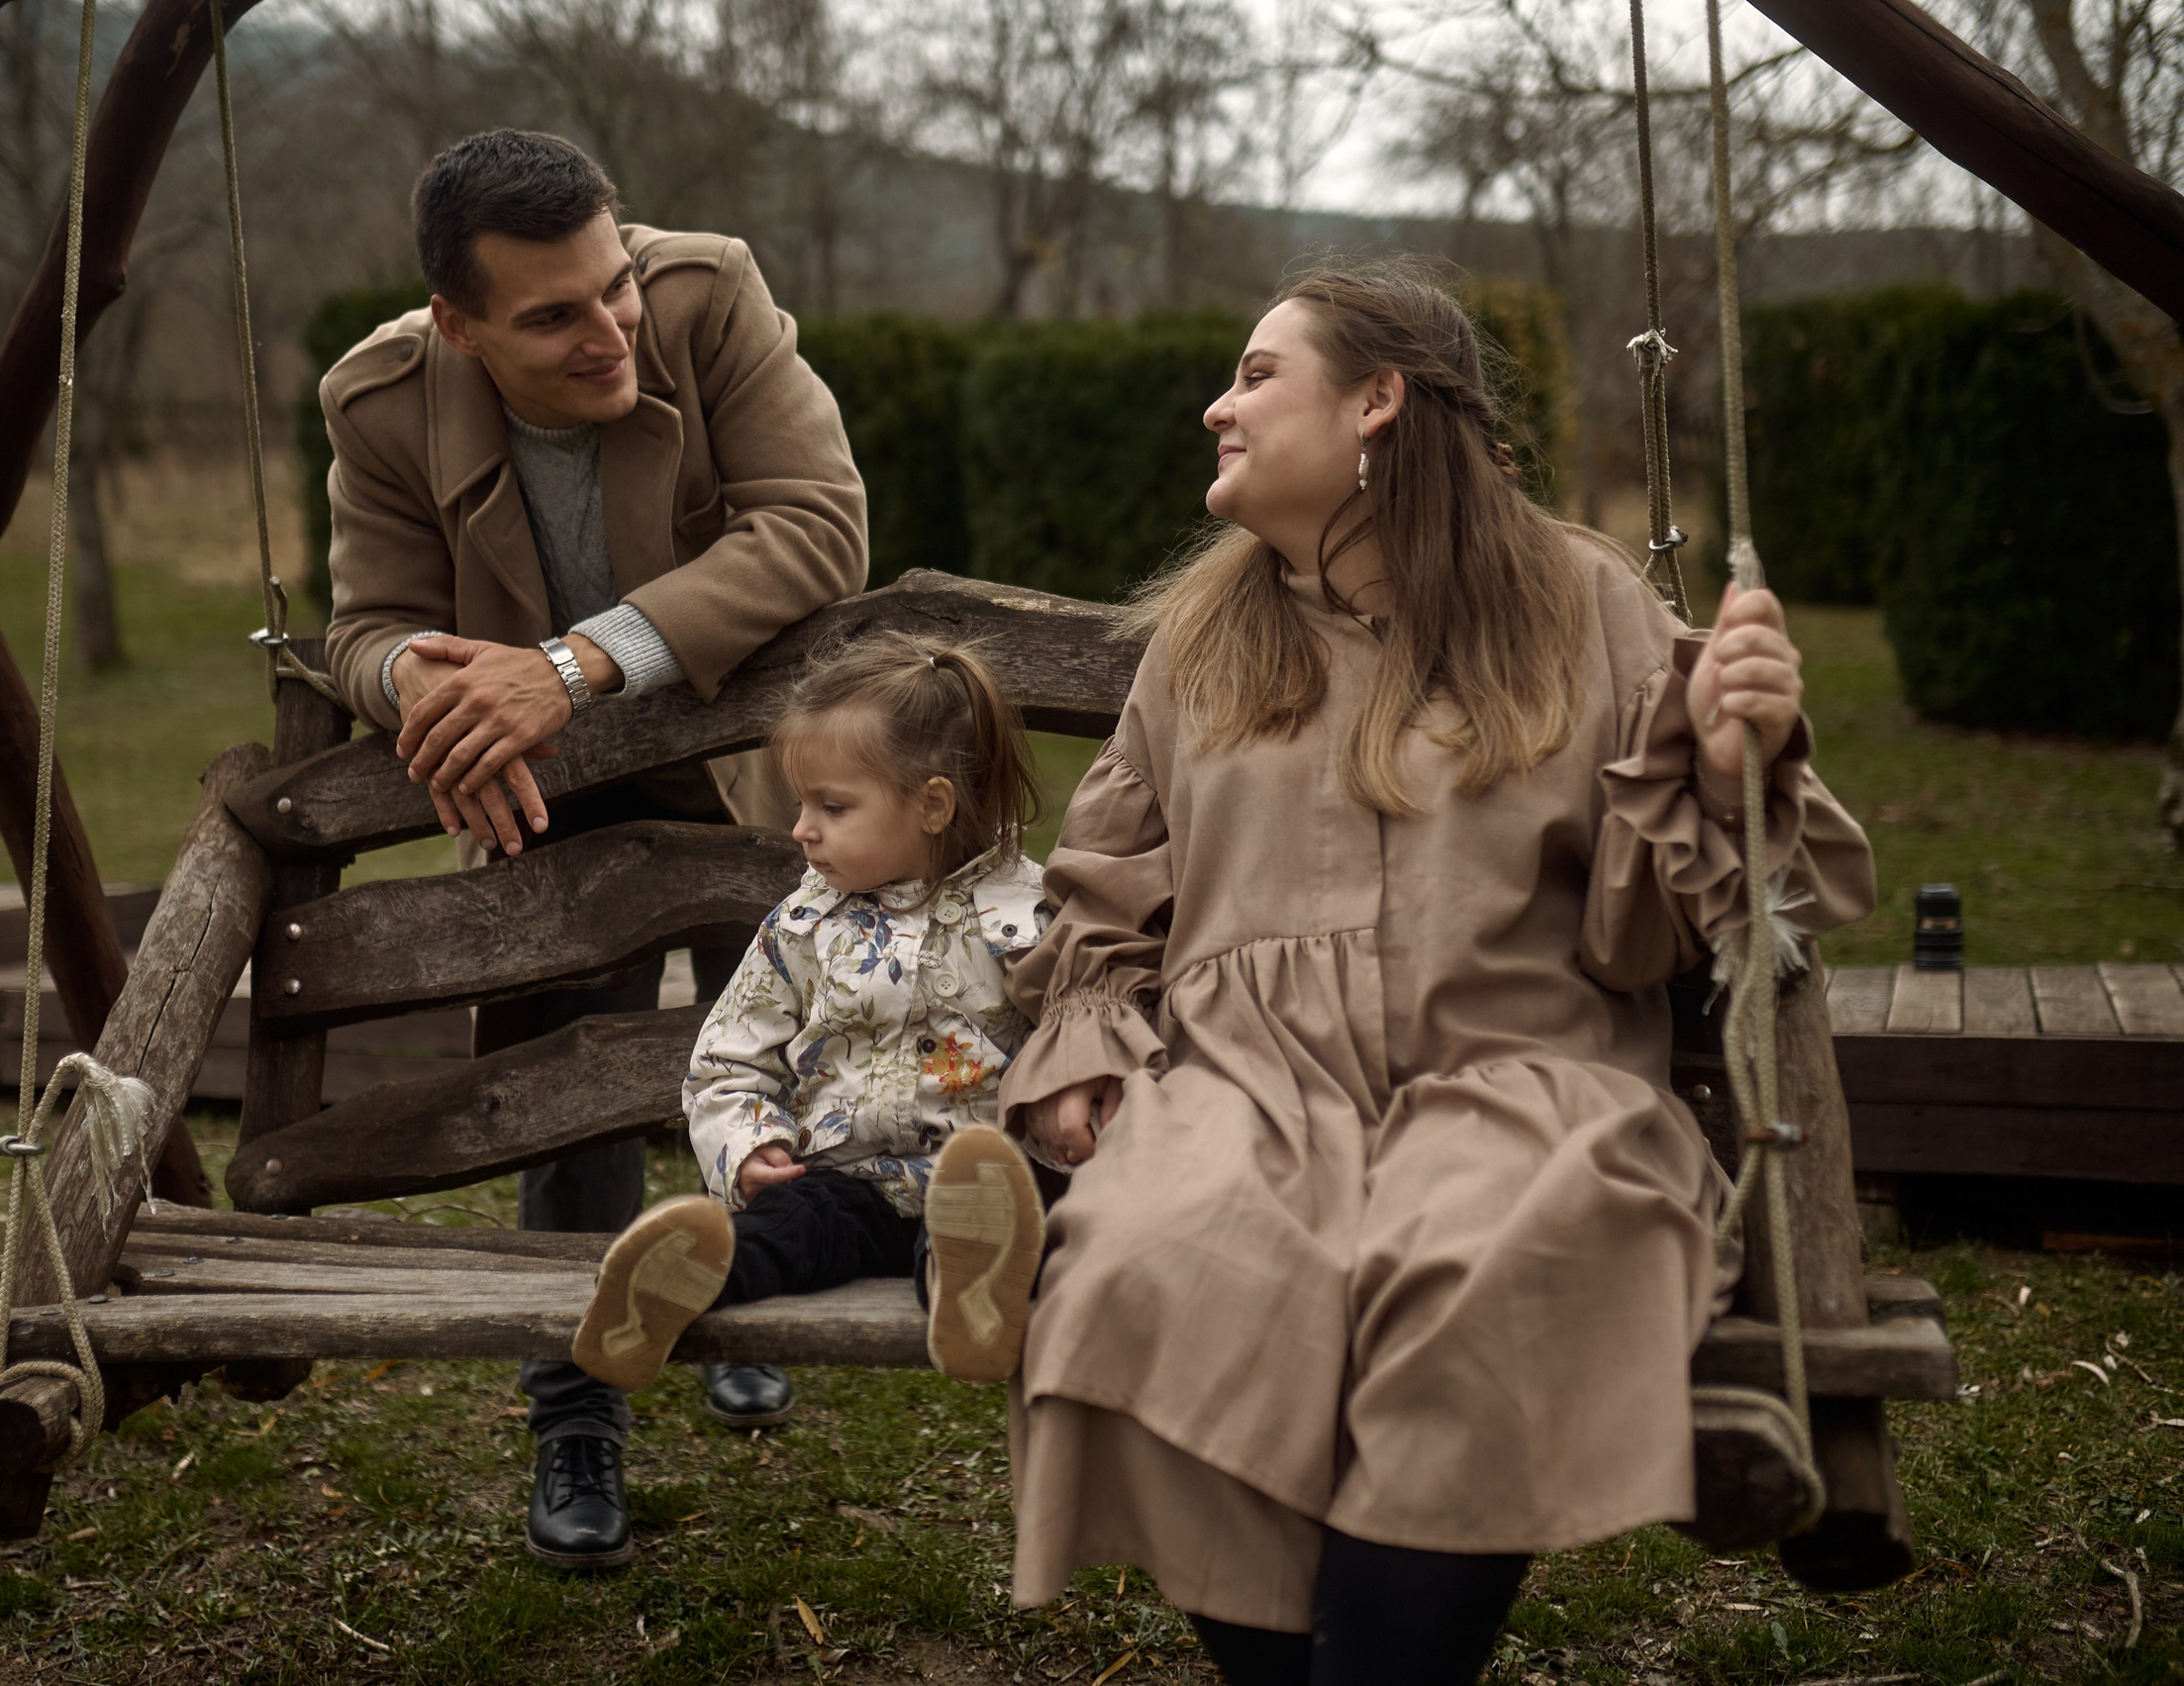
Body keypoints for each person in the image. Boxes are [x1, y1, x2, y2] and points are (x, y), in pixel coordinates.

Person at [996, 258, 1876, 1686]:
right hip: (1249, 1094)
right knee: (1156, 1265)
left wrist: (1727, 758)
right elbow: (1105, 884)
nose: (1217, 406)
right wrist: (1089, 1041)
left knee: (1483, 1266)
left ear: (1379, 399)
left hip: (1519, 1078)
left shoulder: (1574, 600)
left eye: (1257, 372)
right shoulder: (1201, 642)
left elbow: (1671, 917)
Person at [317, 129, 866, 1568]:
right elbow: (364, 624)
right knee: (570, 1096)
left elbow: (818, 526)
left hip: (747, 770)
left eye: (610, 286)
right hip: (541, 799)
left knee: (776, 1062)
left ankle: (749, 1297)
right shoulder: (378, 399)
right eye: (553, 315)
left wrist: (567, 666)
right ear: (457, 322)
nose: (608, 327)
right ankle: (580, 1410)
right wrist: (410, 686)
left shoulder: (711, 296)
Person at [570, 637, 1053, 1392]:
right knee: (790, 1225)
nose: (801, 828)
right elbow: (729, 1059)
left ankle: (973, 1296)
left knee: (1012, 1211)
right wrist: (749, 1145)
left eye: (831, 806)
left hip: (987, 1181)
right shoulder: (801, 928)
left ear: (933, 803)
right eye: (802, 804)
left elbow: (1086, 1033)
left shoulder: (1029, 917)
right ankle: (689, 1275)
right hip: (851, 1184)